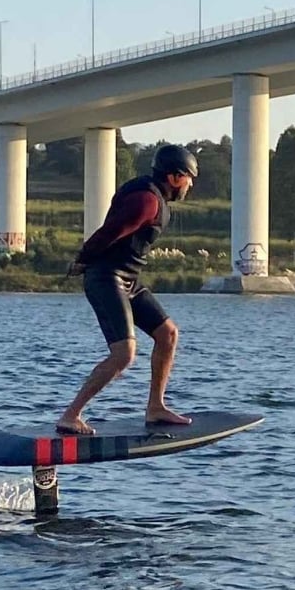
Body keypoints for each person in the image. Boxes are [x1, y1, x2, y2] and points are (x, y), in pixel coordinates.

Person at [55, 143, 196, 436]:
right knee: (124, 355)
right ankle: (71, 415)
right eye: (189, 178)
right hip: (106, 278)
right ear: (173, 177)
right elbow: (110, 231)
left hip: (128, 279)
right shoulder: (147, 200)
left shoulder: (154, 196)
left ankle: (155, 407)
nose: (191, 184)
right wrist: (83, 259)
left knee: (168, 334)